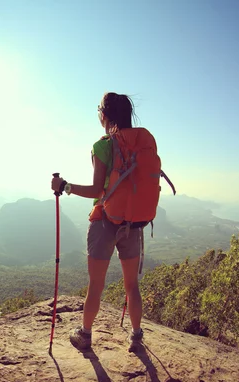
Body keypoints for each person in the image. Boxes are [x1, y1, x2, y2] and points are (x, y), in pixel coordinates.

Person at [51, 92, 145, 351]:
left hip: (105, 220)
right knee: (132, 285)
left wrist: (65, 186)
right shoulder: (141, 145)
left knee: (96, 285)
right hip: (133, 222)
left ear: (104, 115)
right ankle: (137, 337)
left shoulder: (103, 146)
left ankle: (85, 334)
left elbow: (97, 191)